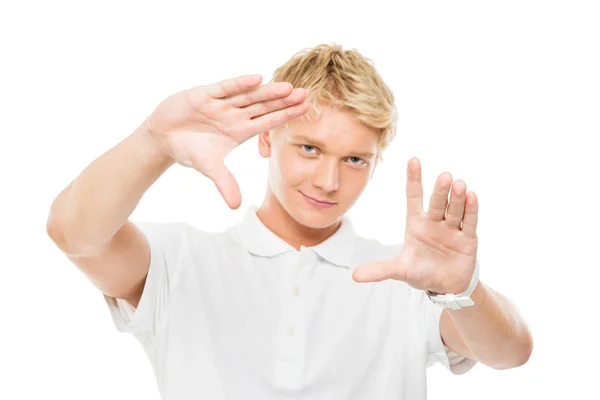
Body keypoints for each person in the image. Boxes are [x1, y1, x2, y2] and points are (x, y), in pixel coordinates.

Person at [46, 43, 533, 399]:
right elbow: (73, 233)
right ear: (265, 138)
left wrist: (462, 287)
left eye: (355, 160)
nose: (328, 181)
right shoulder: (182, 263)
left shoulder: (406, 278)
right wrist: (152, 142)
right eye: (309, 148)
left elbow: (512, 353)